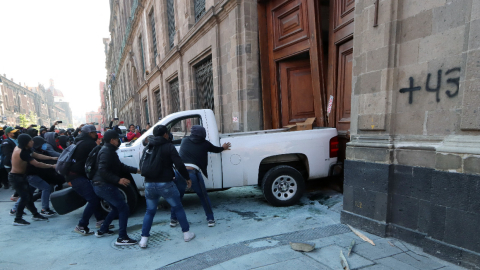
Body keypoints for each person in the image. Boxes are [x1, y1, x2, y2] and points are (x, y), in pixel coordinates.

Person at [139, 125, 195, 248]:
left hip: (149, 184)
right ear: (165, 134)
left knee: (150, 211)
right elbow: (179, 165)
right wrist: (187, 178)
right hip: (165, 183)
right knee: (178, 207)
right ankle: (186, 234)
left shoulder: (148, 147)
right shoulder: (169, 146)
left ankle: (143, 239)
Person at [172, 125, 231, 227]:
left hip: (180, 172)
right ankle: (210, 219)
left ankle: (173, 220)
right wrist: (223, 147)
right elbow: (216, 149)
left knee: (177, 197)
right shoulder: (205, 144)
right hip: (192, 173)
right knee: (203, 197)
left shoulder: (185, 140)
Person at [92, 130, 140, 245]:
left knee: (116, 208)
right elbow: (102, 170)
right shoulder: (106, 151)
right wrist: (118, 180)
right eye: (117, 139)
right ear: (112, 140)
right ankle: (122, 237)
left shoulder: (109, 150)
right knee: (123, 208)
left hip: (101, 185)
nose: (119, 141)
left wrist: (137, 170)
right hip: (103, 186)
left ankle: (102, 230)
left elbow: (120, 166)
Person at [67, 125, 110, 235]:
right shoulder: (89, 143)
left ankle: (100, 220)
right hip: (77, 176)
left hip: (74, 175)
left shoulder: (79, 141)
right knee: (93, 199)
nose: (96, 134)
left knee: (94, 197)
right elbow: (96, 159)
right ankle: (81, 225)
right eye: (94, 132)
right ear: (89, 133)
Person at [9, 134, 57, 225]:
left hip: (21, 177)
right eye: (30, 141)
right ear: (26, 142)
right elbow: (37, 164)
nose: (33, 142)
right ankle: (17, 219)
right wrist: (52, 166)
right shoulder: (23, 152)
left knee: (28, 197)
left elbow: (37, 155)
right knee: (25, 197)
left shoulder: (24, 149)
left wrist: (52, 157)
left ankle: (35, 214)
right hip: (16, 177)